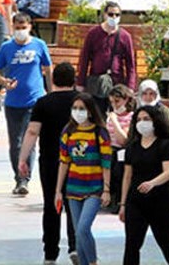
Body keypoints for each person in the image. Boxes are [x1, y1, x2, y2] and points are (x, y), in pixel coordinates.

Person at [18, 62, 78, 265]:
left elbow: (32, 131)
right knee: (75, 204)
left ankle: (50, 253)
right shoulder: (82, 102)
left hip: (51, 160)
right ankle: (75, 246)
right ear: (74, 80)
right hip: (79, 160)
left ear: (53, 80)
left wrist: (23, 158)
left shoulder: (43, 103)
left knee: (52, 205)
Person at [0, 13, 52, 195]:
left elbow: (48, 69)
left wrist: (51, 94)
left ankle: (25, 179)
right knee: (16, 143)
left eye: (23, 26)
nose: (20, 30)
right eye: (17, 27)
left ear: (29, 26)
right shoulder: (6, 48)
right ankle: (18, 177)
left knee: (31, 140)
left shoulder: (39, 45)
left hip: (35, 101)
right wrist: (4, 82)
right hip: (13, 103)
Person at [55, 93, 112, 265]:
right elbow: (64, 162)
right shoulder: (68, 132)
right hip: (73, 188)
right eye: (75, 108)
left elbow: (106, 163)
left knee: (83, 228)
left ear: (90, 111)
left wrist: (107, 190)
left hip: (94, 188)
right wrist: (58, 190)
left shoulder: (100, 133)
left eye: (81, 108)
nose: (77, 112)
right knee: (78, 234)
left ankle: (93, 262)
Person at [119, 105, 169, 265]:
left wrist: (152, 183)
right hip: (136, 202)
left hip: (161, 201)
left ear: (155, 121)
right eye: (139, 120)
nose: (142, 123)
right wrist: (123, 204)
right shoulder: (132, 147)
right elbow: (127, 176)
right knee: (132, 244)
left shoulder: (165, 144)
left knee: (166, 241)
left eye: (146, 119)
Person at [76, 2, 137, 111]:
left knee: (115, 113)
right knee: (96, 113)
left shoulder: (125, 36)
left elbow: (130, 64)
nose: (114, 17)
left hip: (116, 82)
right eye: (111, 14)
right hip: (96, 82)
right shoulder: (93, 33)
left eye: (117, 15)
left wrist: (130, 86)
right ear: (104, 15)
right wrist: (80, 83)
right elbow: (84, 59)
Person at [105, 85, 136, 210]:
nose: (115, 105)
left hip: (122, 151)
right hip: (109, 150)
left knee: (119, 167)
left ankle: (118, 200)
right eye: (112, 102)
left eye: (117, 101)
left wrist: (115, 121)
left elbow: (123, 140)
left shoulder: (131, 117)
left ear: (126, 100)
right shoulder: (110, 117)